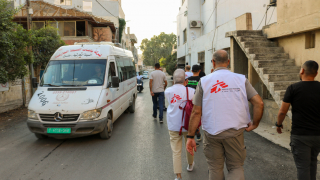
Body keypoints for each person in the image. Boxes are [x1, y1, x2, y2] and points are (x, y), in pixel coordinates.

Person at [186, 50, 264, 180]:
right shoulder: (241, 79)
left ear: (213, 62)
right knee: (236, 167)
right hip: (235, 133)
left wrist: (190, 136)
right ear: (228, 62)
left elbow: (196, 112)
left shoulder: (204, 81)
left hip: (212, 134)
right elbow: (259, 103)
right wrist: (255, 123)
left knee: (215, 168)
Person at [276, 60, 320, 180]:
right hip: (317, 135)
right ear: (316, 73)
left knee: (302, 167)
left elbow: (282, 112)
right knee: (312, 162)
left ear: (302, 71)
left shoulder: (293, 88)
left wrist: (278, 124)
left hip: (300, 136)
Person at [165, 69, 195, 180]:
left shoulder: (168, 91)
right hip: (188, 124)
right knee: (189, 144)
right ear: (185, 81)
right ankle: (190, 165)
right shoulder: (191, 91)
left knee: (176, 151)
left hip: (174, 124)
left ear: (173, 81)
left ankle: (178, 175)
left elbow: (170, 102)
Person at [186, 64, 202, 146]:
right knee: (198, 117)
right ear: (199, 71)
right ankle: (197, 132)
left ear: (191, 71)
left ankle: (196, 132)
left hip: (190, 102)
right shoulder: (201, 80)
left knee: (192, 117)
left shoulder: (187, 80)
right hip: (199, 102)